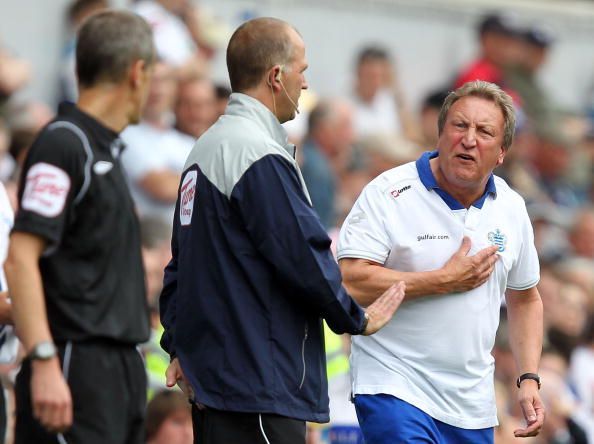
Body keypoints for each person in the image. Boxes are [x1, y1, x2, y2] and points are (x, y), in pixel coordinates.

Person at [159, 17, 405, 444]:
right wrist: (356, 318)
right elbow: (303, 257)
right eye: (302, 70)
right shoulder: (257, 154)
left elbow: (181, 264)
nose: (306, 84)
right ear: (276, 77)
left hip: (219, 383)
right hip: (257, 383)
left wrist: (179, 344)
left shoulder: (205, 148)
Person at [338, 80, 545, 443]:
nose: (468, 139)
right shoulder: (388, 193)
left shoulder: (512, 208)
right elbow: (351, 280)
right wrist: (442, 280)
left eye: (484, 132)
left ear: (501, 153)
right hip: (393, 385)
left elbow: (525, 297)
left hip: (471, 402)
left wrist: (528, 377)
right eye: (459, 126)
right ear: (440, 133)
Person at [5, 10, 155, 443]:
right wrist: (46, 360)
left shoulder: (101, 148)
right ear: (137, 72)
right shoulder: (63, 144)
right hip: (76, 366)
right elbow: (20, 259)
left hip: (119, 370)